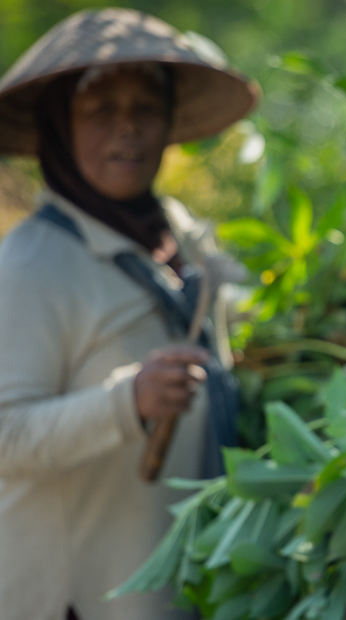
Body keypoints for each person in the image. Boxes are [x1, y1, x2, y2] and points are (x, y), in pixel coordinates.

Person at [0, 9, 256, 620]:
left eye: (145, 109)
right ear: (59, 126)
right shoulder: (32, 263)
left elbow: (248, 316)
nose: (128, 131)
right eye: (100, 112)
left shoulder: (185, 239)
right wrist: (128, 402)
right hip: (75, 596)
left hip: (172, 588)